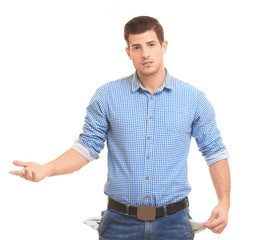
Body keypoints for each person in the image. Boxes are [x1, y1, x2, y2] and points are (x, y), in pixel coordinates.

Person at [10, 16, 231, 240]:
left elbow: (214, 152)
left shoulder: (193, 99)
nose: (145, 53)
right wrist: (46, 169)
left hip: (173, 224)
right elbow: (86, 147)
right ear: (128, 52)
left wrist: (224, 202)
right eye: (137, 47)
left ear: (164, 46)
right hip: (119, 224)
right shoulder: (107, 96)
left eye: (151, 45)